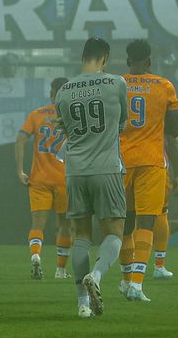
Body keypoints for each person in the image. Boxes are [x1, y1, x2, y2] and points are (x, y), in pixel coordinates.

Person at [55, 37, 129, 319]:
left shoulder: (63, 90)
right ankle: (96, 275)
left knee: (81, 236)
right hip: (106, 167)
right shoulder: (116, 83)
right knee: (114, 231)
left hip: (75, 170)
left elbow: (64, 127)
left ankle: (82, 304)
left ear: (82, 57)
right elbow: (122, 122)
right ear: (105, 57)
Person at [116, 40, 178, 301]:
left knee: (125, 223)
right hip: (151, 161)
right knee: (146, 221)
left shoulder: (116, 84)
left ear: (128, 60)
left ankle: (124, 278)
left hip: (119, 161)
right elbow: (174, 130)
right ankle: (137, 284)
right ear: (150, 61)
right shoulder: (164, 86)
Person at [15, 77, 71, 280]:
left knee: (37, 225)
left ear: (51, 93)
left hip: (39, 180)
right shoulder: (74, 115)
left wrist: (20, 170)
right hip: (65, 180)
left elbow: (20, 139)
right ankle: (61, 270)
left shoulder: (37, 115)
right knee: (65, 225)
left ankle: (36, 256)